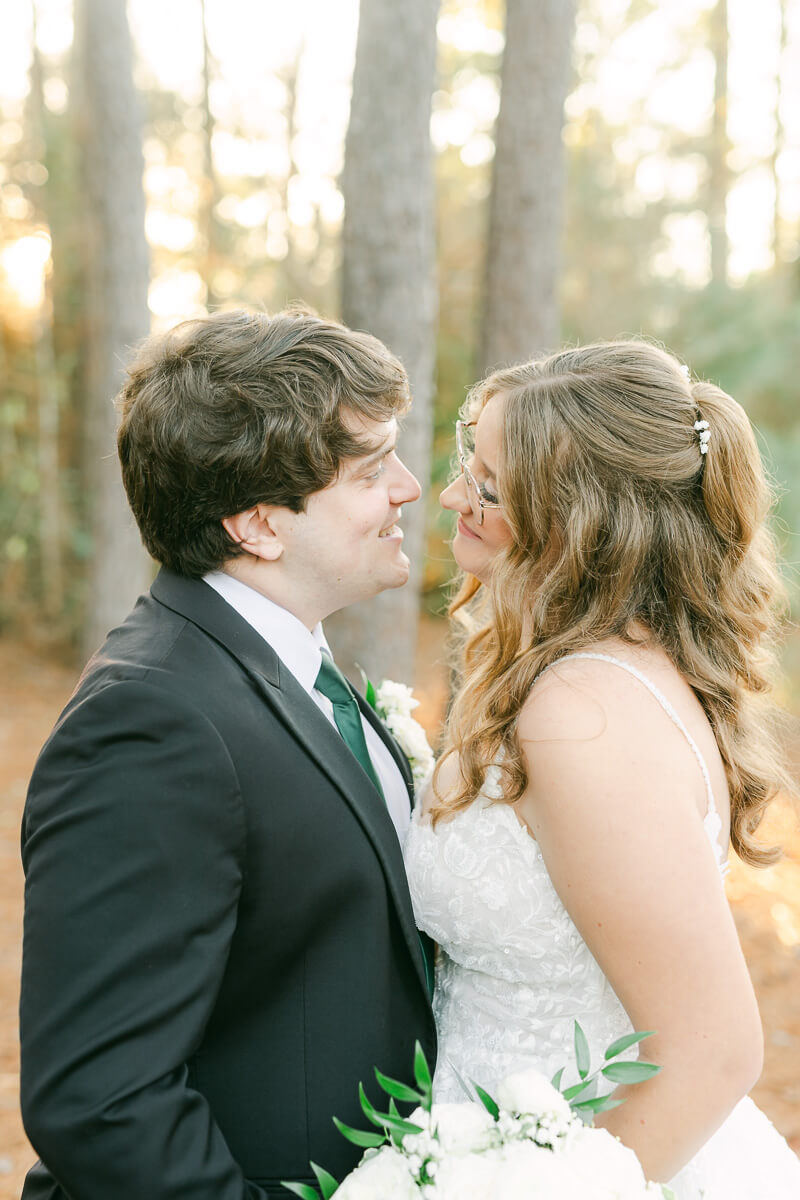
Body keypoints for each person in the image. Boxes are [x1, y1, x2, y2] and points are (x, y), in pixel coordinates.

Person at [20, 307, 436, 1200]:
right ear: (257, 524)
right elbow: (102, 1102)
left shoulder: (291, 666)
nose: (407, 487)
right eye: (370, 470)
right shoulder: (151, 723)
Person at [404, 340, 800, 1198]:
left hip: (590, 1162)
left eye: (489, 489)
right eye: (467, 469)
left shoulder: (581, 713)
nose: (451, 498)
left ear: (580, 520)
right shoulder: (582, 673)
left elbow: (713, 1050)